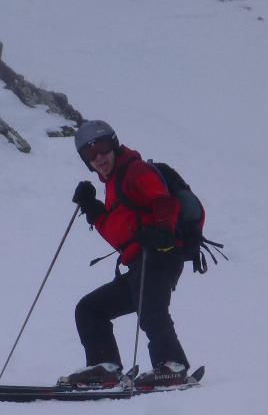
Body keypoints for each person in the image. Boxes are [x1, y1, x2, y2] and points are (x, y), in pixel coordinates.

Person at [59, 120, 191, 389]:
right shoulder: (113, 184)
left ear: (115, 145)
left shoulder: (136, 170)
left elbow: (164, 201)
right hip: (137, 263)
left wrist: (163, 232)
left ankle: (172, 367)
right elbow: (120, 233)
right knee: (90, 309)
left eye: (103, 147)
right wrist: (92, 208)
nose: (98, 157)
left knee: (151, 309)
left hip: (159, 255)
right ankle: (105, 368)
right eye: (89, 153)